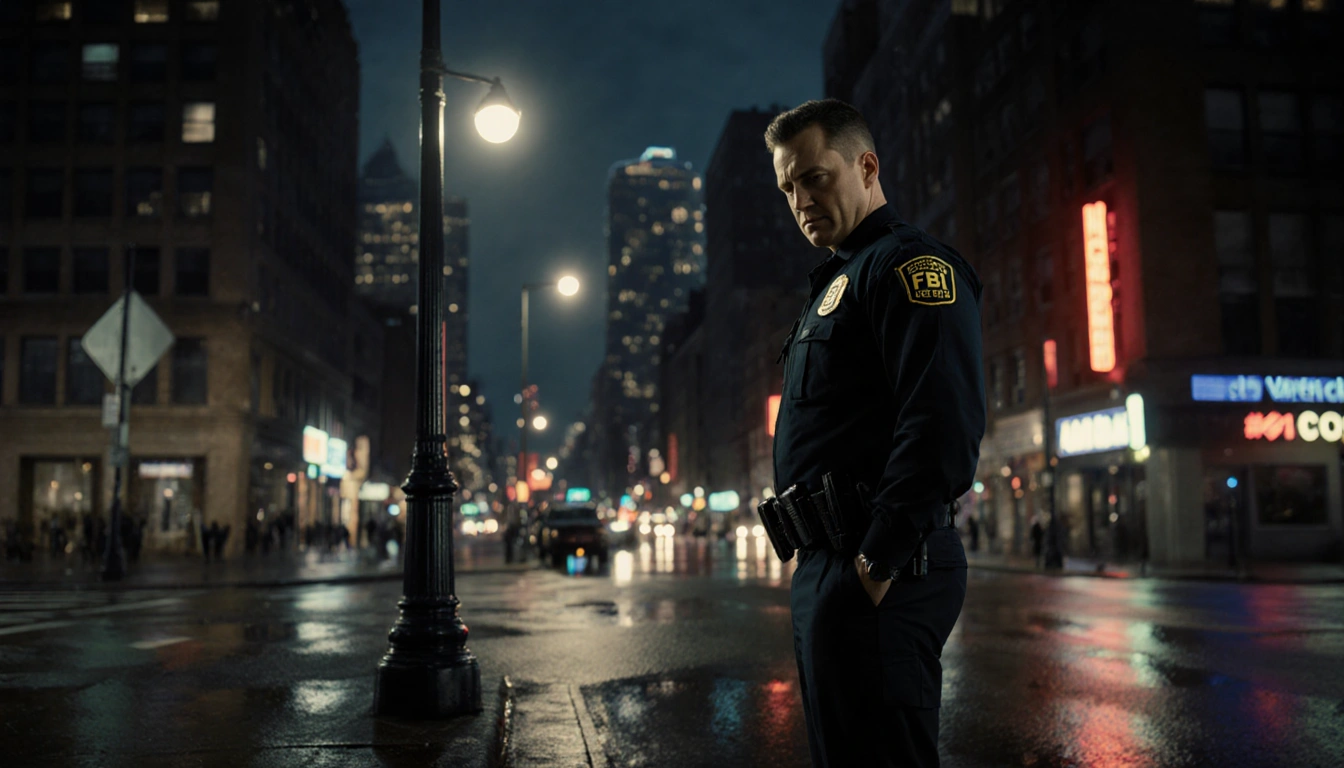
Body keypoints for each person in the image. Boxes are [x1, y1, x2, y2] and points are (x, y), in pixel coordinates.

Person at [762, 99, 985, 768]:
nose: (801, 200)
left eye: (815, 177)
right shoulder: (840, 278)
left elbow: (941, 422)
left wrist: (875, 563)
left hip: (882, 565)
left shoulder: (910, 267)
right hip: (830, 565)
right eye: (788, 187)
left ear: (866, 167)